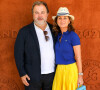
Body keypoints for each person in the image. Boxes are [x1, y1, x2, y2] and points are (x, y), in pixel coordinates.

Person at [14, 1, 55, 90]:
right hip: (31, 76)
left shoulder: (54, 29)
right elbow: (18, 54)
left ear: (47, 14)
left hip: (52, 76)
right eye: (36, 12)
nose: (39, 16)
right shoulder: (24, 32)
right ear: (32, 14)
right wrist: (22, 73)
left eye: (42, 12)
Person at [52, 7, 84, 90]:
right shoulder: (57, 35)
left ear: (69, 21)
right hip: (59, 70)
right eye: (60, 18)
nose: (62, 20)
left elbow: (78, 57)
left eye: (65, 18)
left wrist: (80, 75)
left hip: (70, 70)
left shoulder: (73, 36)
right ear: (56, 21)